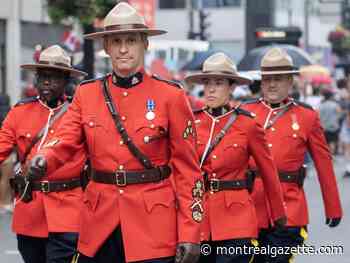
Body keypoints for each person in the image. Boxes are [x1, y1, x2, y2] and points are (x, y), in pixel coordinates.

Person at [28, 3, 203, 263]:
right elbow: (65, 137)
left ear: (145, 44)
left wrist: (191, 233)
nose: (123, 49)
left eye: (131, 40)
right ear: (106, 47)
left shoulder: (170, 96)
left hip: (153, 227)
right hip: (100, 224)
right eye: (116, 41)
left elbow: (189, 171)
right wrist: (45, 157)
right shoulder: (87, 94)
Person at [242, 47, 343, 262]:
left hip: (289, 210)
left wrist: (332, 207)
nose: (271, 84)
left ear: (290, 82)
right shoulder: (245, 113)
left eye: (278, 79)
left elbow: (323, 163)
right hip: (251, 207)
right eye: (267, 79)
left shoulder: (306, 116)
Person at [185, 52, 286, 263]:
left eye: (219, 83)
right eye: (207, 82)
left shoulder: (247, 125)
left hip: (236, 219)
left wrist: (278, 213)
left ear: (231, 87)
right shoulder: (191, 123)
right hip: (199, 216)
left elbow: (268, 171)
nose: (211, 88)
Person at [0, 45, 87, 263]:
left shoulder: (78, 113)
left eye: (54, 77)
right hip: (30, 209)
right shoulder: (20, 112)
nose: (47, 82)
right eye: (42, 77)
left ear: (66, 79)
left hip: (68, 208)